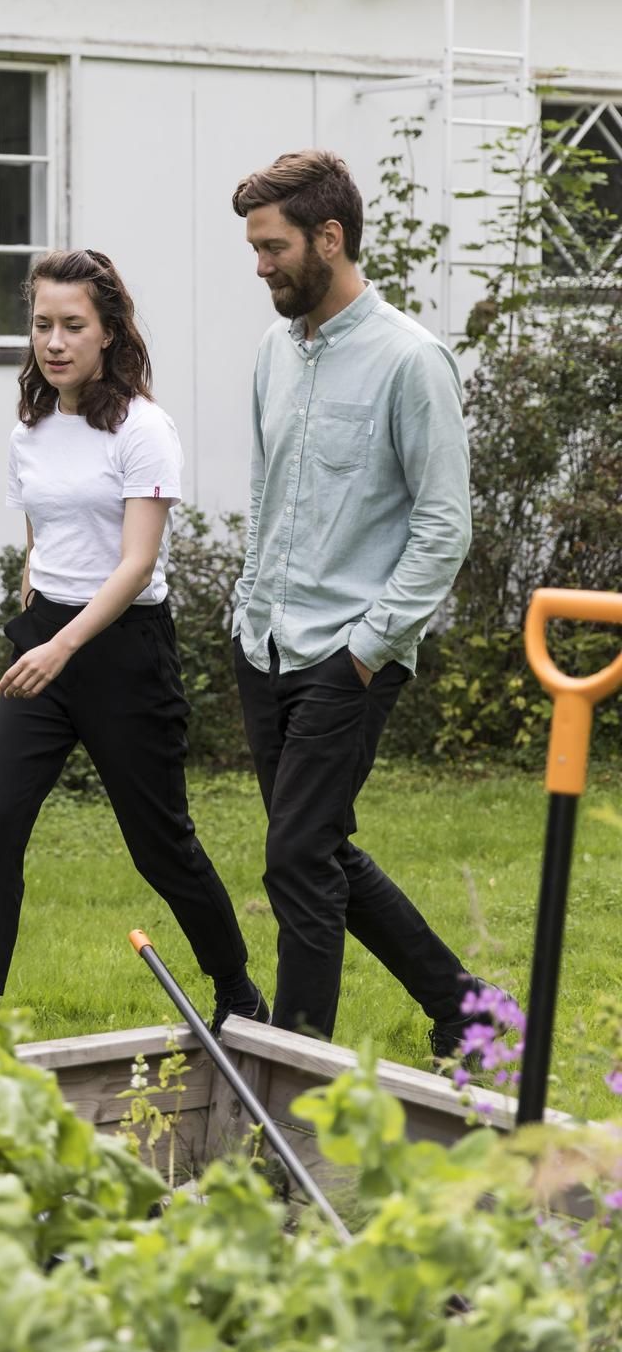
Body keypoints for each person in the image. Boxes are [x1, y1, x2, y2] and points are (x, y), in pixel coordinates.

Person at [0, 248, 266, 1034]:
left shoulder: (143, 428)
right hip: (46, 642)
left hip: (124, 651)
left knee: (161, 846)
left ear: (109, 333)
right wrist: (35, 597)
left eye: (72, 325)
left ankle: (237, 991)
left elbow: (136, 564)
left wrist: (63, 647)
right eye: (42, 325)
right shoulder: (30, 432)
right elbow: (42, 532)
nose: (54, 342)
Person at [229, 148, 494, 1054]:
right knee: (318, 847)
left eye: (272, 247)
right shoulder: (273, 354)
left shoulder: (411, 361)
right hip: (265, 645)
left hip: (348, 653)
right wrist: (246, 607)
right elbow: (265, 491)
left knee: (296, 857)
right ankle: (468, 1011)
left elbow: (444, 525)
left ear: (330, 238)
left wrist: (370, 648)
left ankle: (293, 1077)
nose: (260, 266)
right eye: (255, 248)